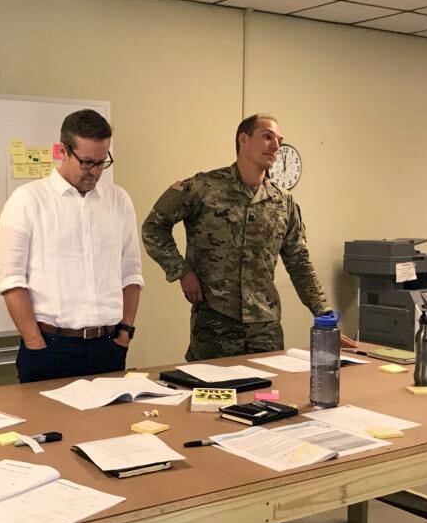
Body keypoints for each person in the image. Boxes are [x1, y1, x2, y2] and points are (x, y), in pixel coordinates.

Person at [0, 108, 143, 523]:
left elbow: (131, 273)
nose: (94, 171)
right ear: (62, 150)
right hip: (49, 349)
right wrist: (36, 344)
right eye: (86, 161)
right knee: (46, 465)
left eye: (102, 162)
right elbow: (11, 281)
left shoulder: (118, 201)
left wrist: (124, 335)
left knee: (107, 457)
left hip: (105, 348)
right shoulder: (28, 201)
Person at [142, 113, 354, 363]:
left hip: (264, 327)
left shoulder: (283, 201)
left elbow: (300, 263)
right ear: (243, 139)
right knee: (210, 396)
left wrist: (325, 316)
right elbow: (153, 227)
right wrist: (181, 270)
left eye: (279, 140)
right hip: (215, 321)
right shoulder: (203, 188)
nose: (276, 145)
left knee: (267, 396)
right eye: (267, 137)